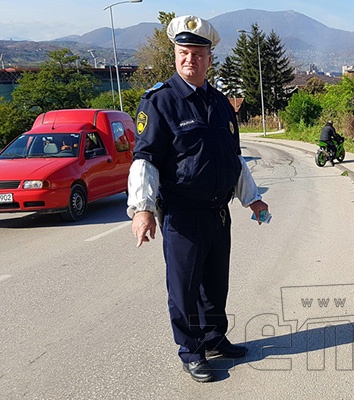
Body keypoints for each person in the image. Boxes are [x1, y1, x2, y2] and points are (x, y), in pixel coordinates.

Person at [126, 15, 269, 383]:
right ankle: (191, 351)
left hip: (218, 214)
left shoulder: (221, 104)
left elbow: (232, 160)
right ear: (176, 55)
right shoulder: (160, 103)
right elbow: (146, 159)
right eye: (183, 52)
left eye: (197, 53)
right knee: (185, 288)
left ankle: (214, 337)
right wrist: (142, 210)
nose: (189, 59)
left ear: (209, 59)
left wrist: (252, 199)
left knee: (215, 283)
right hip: (184, 216)